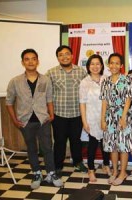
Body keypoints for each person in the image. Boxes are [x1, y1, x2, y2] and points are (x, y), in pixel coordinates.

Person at [6, 49, 63, 189]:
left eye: (33, 59)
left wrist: (51, 114)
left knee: (47, 148)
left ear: (38, 61)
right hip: (25, 121)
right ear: (22, 62)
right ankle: (37, 173)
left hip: (43, 119)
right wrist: (14, 120)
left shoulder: (45, 79)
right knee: (32, 149)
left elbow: (49, 99)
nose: (30, 61)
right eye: (27, 59)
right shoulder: (15, 81)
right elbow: (9, 102)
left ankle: (51, 173)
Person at [46, 45, 88, 176]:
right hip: (59, 114)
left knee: (76, 140)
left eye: (67, 54)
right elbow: (47, 95)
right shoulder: (51, 73)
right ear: (58, 57)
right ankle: (58, 165)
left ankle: (78, 162)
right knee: (59, 141)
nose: (64, 57)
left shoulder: (81, 72)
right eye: (61, 55)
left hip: (77, 114)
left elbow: (88, 90)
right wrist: (50, 112)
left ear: (72, 56)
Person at [100, 53, 132, 186]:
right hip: (109, 117)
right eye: (111, 63)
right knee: (112, 147)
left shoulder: (126, 80)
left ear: (121, 66)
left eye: (117, 63)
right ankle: (114, 171)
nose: (114, 65)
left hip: (122, 116)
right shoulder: (105, 81)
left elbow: (128, 99)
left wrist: (123, 117)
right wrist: (103, 119)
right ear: (108, 65)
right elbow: (104, 101)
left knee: (123, 147)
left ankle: (122, 172)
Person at [79, 54, 111, 183]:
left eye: (98, 63)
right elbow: (82, 103)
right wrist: (84, 121)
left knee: (106, 144)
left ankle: (106, 165)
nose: (95, 66)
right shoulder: (84, 82)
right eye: (92, 64)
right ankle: (91, 170)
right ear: (88, 66)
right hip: (91, 118)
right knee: (92, 145)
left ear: (102, 65)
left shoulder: (106, 79)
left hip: (106, 117)